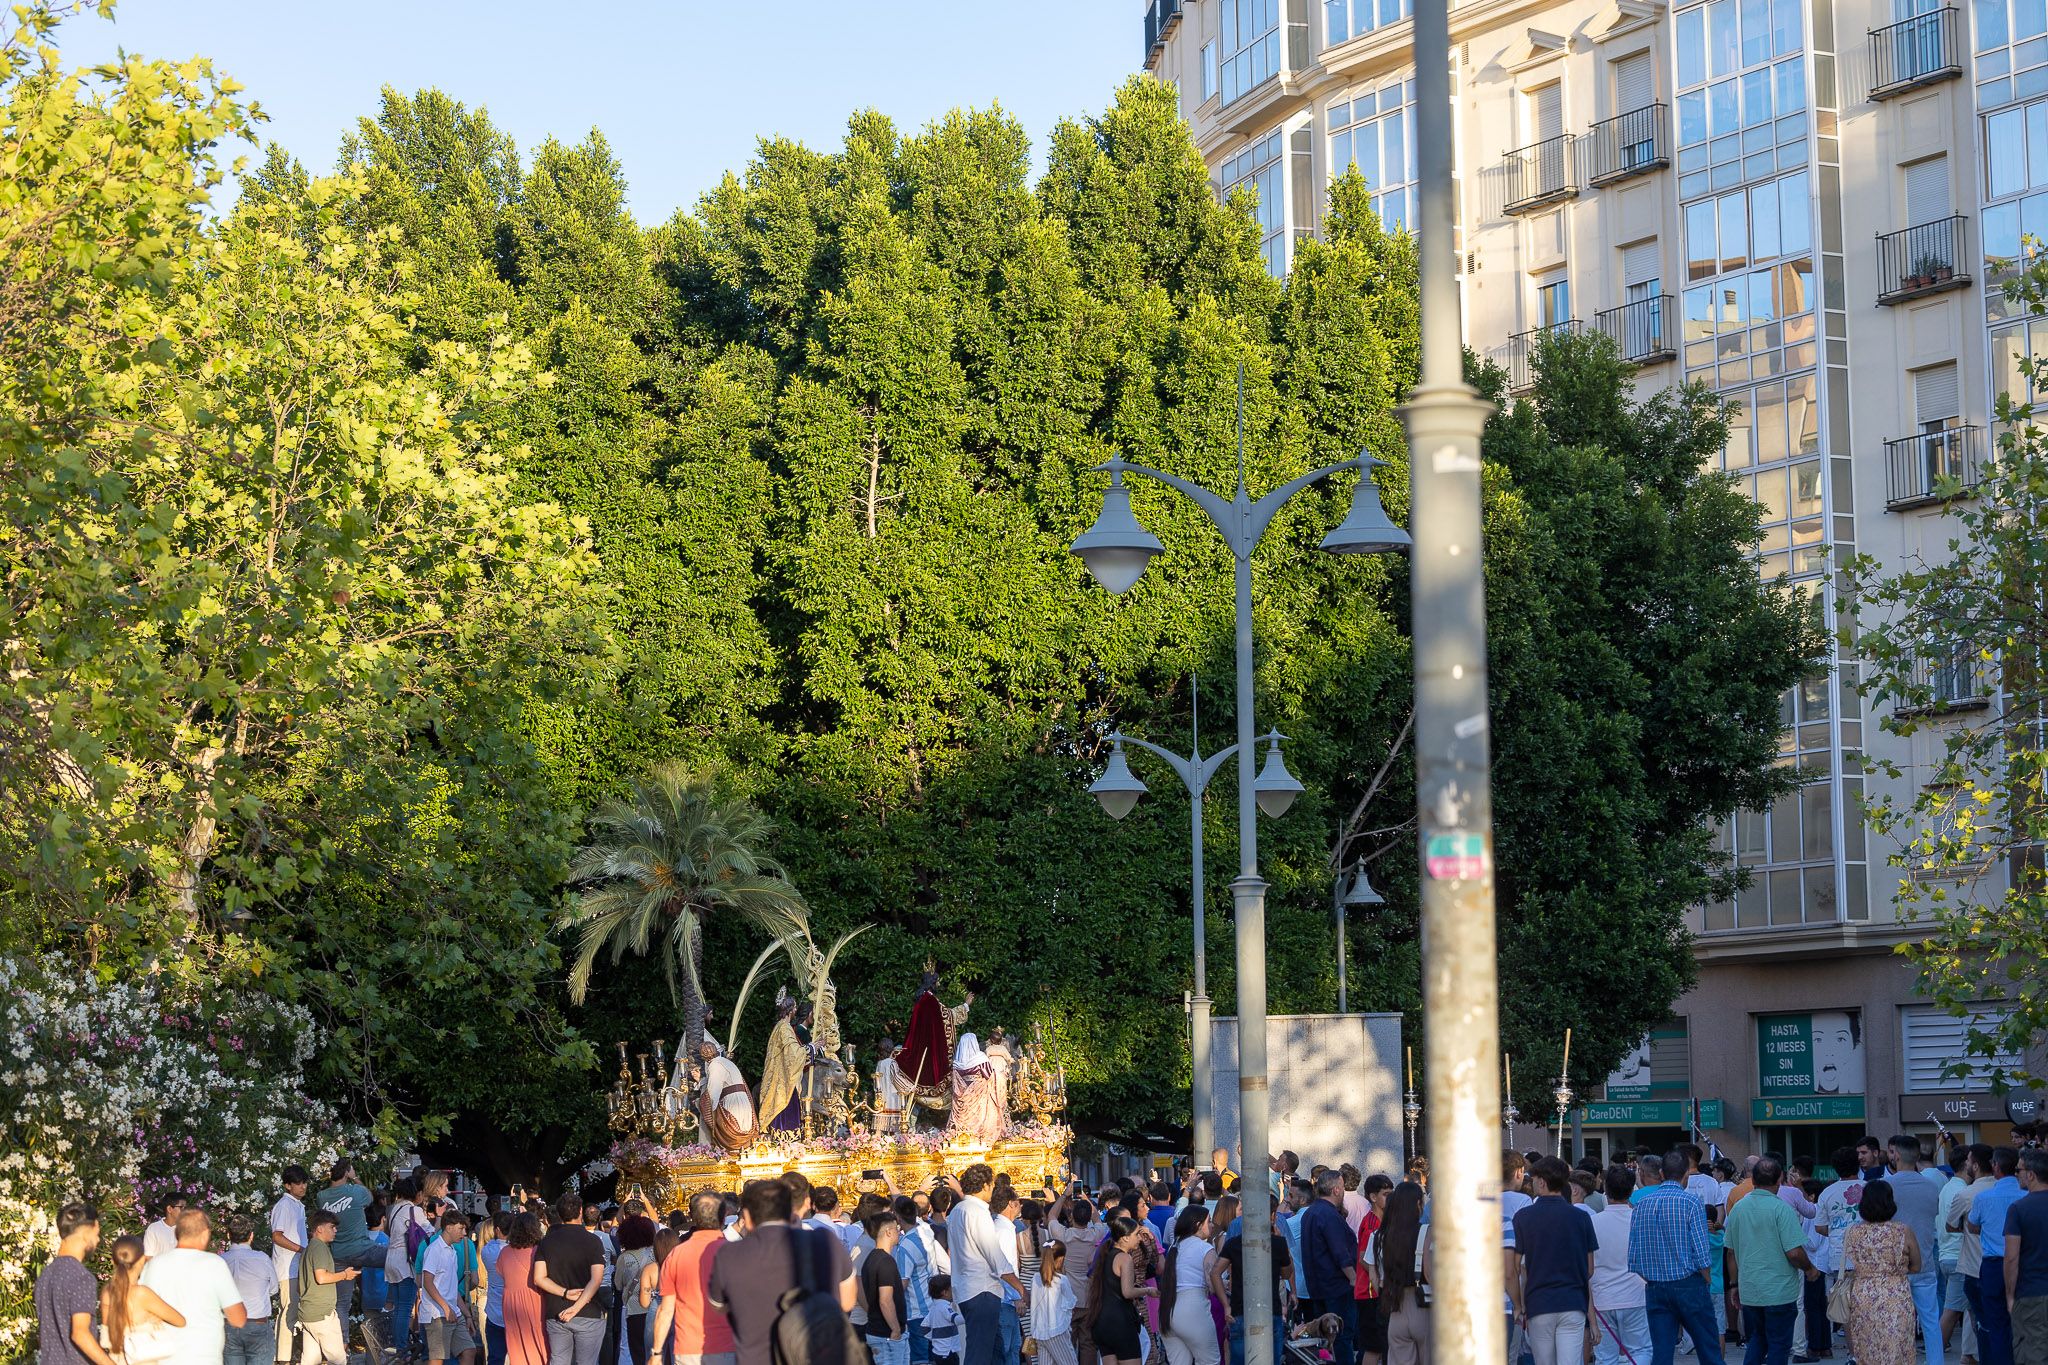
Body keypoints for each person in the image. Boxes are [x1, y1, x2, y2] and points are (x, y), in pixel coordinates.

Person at [707, 1177, 855, 1365]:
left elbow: (718, 1305)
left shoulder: (729, 1255)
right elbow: (847, 1300)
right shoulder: (824, 1241)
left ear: (748, 1218)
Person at [1628, 1150, 1725, 1365]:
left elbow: (1634, 1256)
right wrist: (1706, 1280)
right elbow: (1701, 1253)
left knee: (1661, 1353)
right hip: (1689, 1284)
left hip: (1655, 1286)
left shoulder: (1641, 1205)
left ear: (1661, 1173)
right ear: (1686, 1176)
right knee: (1708, 1348)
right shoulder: (1691, 1203)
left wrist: (1652, 1278)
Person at [1723, 1158, 1819, 1365]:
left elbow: (1730, 1252)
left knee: (1757, 1339)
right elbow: (1794, 1252)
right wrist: (1810, 1269)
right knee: (1778, 1344)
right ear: (1780, 1179)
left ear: (1753, 1180)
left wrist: (1734, 1284)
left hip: (1750, 1289)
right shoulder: (1781, 1209)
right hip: (1779, 1290)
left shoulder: (1738, 1208)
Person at [1510, 1156, 1601, 1365]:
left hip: (1538, 1302)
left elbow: (1515, 1267)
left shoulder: (1523, 1217)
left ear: (1542, 1182)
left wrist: (1519, 1305)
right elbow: (1589, 1269)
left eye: (1533, 1180)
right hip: (1573, 1302)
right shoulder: (1581, 1218)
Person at [139, 1209, 249, 1365]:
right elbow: (238, 1319)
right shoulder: (214, 1264)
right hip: (203, 1356)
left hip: (162, 1357)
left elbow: (141, 1311)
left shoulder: (154, 1265)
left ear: (177, 1233)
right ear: (205, 1234)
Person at [948, 1165, 1026, 1365]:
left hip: (968, 1289)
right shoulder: (976, 1212)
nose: (993, 1188)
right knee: (980, 1353)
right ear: (984, 1185)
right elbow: (995, 1255)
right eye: (991, 1184)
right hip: (981, 1290)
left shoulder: (958, 1210)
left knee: (992, 1351)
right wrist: (1019, 1287)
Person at [1877, 1135, 1944, 1365]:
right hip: (1924, 1261)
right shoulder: (1932, 1186)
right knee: (1930, 1321)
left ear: (1895, 1155)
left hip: (1895, 1267)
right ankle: (1936, 1362)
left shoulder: (1885, 1187)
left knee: (1895, 1323)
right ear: (1917, 1156)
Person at [1844, 1179, 1919, 1365]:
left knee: (1867, 1348)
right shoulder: (1903, 1231)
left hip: (1863, 1294)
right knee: (1898, 1348)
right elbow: (1917, 1266)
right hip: (1896, 1294)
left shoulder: (1853, 1232)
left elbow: (1850, 1262)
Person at [36, 1204, 119, 1365]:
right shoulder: (81, 1277)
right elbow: (80, 1333)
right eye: (97, 1234)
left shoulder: (46, 1274)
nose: (98, 1240)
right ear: (87, 1231)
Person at [535, 1195, 610, 1365]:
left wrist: (565, 1293)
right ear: (581, 1212)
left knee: (559, 1360)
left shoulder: (546, 1242)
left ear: (560, 1215)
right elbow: (596, 1279)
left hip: (556, 1310)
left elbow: (539, 1278)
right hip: (589, 1312)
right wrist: (576, 1308)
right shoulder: (593, 1241)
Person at [1298, 1170, 1359, 1365]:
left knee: (1324, 1340)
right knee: (1340, 1338)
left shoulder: (1310, 1213)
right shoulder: (1328, 1215)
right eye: (1342, 1189)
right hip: (1336, 1287)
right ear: (1336, 1190)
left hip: (1318, 1286)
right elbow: (1340, 1251)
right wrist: (1353, 1278)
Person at [1973, 1148, 2027, 1365]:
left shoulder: (1983, 1198)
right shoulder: (2026, 1196)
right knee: (2024, 1323)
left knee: (1996, 1324)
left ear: (1995, 1166)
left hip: (1994, 1265)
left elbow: (1972, 1224)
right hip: (2023, 1264)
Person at [1590, 1166, 1649, 1365]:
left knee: (1605, 1357)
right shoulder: (1640, 1220)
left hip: (1602, 1297)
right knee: (1640, 1351)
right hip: (1636, 1294)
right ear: (1632, 1190)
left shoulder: (1592, 1222)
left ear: (1605, 1189)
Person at [100, 1234, 186, 1365]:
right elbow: (180, 1321)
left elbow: (106, 1335)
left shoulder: (107, 1292)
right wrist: (153, 1316)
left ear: (113, 1260)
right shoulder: (142, 1293)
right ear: (142, 1260)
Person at [318, 1160, 375, 1349]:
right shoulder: (355, 1191)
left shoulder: (321, 1196)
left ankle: (343, 1346)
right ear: (346, 1172)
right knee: (393, 1259)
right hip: (363, 1249)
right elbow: (370, 1197)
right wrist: (355, 1177)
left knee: (342, 1304)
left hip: (339, 1255)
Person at [1080, 1216, 1150, 1365]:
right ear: (1124, 1238)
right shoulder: (1125, 1258)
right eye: (1136, 1234)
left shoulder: (1105, 1255)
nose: (1140, 1238)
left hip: (1101, 1321)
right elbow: (1127, 1292)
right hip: (1120, 1322)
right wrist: (1148, 1290)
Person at [294, 1210, 360, 1365]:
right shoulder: (319, 1248)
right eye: (332, 1227)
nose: (335, 1230)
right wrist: (344, 1275)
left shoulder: (309, 1248)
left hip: (308, 1314)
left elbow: (299, 1286)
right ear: (319, 1229)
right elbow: (321, 1277)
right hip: (322, 1314)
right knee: (338, 1360)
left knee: (310, 1360)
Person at [1160, 1206, 1222, 1365]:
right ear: (1198, 1225)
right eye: (1209, 1221)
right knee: (1210, 1361)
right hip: (1193, 1309)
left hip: (1167, 1309)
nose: (1212, 1225)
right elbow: (1212, 1284)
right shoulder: (1205, 1248)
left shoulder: (1175, 1246)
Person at [1378, 1183, 1430, 1365]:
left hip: (1396, 1307)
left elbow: (1379, 1279)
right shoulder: (1425, 1232)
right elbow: (1431, 1274)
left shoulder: (1384, 1235)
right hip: (1423, 1306)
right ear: (1417, 1204)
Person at [2004, 1148, 2048, 1365]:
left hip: (2032, 1292)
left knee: (2032, 1353)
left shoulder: (2019, 1209)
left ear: (2031, 1174)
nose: (2016, 1175)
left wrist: (2010, 1295)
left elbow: (2011, 1257)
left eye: (2018, 1170)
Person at [387, 1177, 431, 1364]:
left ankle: (398, 1346)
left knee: (398, 1306)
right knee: (406, 1307)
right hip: (405, 1262)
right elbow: (430, 1233)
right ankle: (402, 1348)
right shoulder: (415, 1210)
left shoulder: (394, 1209)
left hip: (391, 1259)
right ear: (417, 1194)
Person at [270, 1165, 310, 1365]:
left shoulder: (297, 1205)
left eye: (304, 1182)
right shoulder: (285, 1205)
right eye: (298, 1183)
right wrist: (302, 1250)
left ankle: (286, 1355)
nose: (303, 1186)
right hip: (287, 1268)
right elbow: (277, 1236)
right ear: (287, 1185)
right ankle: (281, 1358)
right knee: (288, 1311)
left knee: (293, 1310)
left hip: (296, 1267)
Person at [695, 1040, 758, 1153]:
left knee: (731, 1135)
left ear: (703, 1056)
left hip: (732, 1104)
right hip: (743, 1103)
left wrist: (707, 1111)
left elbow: (712, 1095)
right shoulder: (726, 1062)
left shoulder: (715, 1065)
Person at [865, 1210, 911, 1365]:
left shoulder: (870, 1259)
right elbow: (885, 1300)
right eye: (897, 1228)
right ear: (889, 1232)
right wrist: (896, 1329)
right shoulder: (885, 1262)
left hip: (879, 1331)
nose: (899, 1231)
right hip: (887, 1335)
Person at [895, 1197, 936, 1365]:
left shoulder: (905, 1245)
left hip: (916, 1311)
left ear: (897, 1217)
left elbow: (902, 1283)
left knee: (920, 1359)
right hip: (932, 1306)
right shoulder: (927, 1233)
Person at [615, 1210, 659, 1365]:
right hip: (657, 1308)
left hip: (635, 1310)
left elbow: (618, 1284)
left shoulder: (624, 1258)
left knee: (638, 1352)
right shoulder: (656, 1253)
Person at [948, 1035, 1006, 1145]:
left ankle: (963, 1138)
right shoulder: (980, 1059)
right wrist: (1001, 1075)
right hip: (980, 1097)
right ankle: (980, 1137)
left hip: (963, 1098)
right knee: (982, 1119)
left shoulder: (957, 1063)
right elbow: (990, 1075)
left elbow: (956, 1084)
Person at [1032, 1241, 1078, 1365]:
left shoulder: (1035, 1278)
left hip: (1040, 1332)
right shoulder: (1062, 1280)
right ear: (1061, 1258)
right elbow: (1070, 1302)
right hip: (1056, 1330)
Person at [478, 1215, 509, 1365]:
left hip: (494, 1311)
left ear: (497, 1230)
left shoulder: (487, 1251)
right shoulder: (517, 1251)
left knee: (495, 1357)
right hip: (514, 1313)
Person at [928, 1275, 964, 1365]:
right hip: (948, 1351)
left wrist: (935, 1338)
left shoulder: (933, 1308)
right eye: (952, 1290)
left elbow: (924, 1327)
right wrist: (970, 1316)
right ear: (945, 1292)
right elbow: (956, 1320)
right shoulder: (945, 1307)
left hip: (938, 1351)